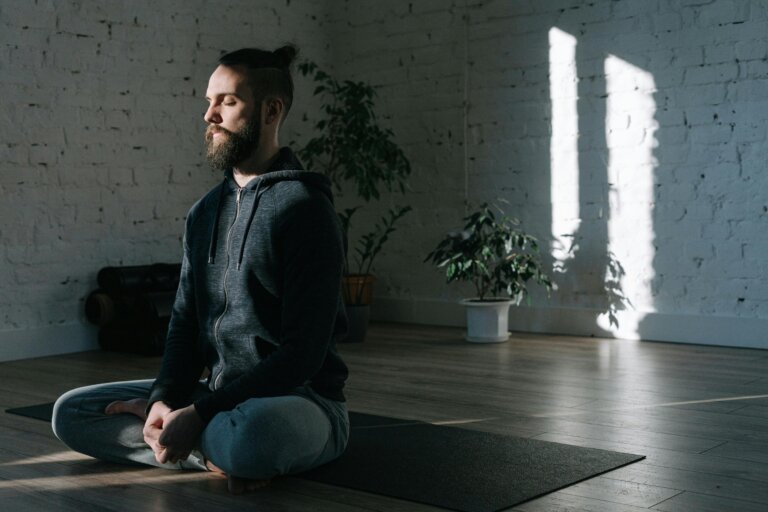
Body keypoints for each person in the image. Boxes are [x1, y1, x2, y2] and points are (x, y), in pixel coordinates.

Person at [52, 45, 350, 494]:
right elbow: (183, 324)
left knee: (252, 437)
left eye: (227, 102)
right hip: (214, 396)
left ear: (271, 111)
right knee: (71, 412)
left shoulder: (305, 209)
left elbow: (303, 356)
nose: (209, 115)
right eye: (209, 102)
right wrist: (164, 399)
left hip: (298, 401)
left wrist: (199, 414)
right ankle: (207, 449)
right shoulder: (204, 213)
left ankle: (206, 446)